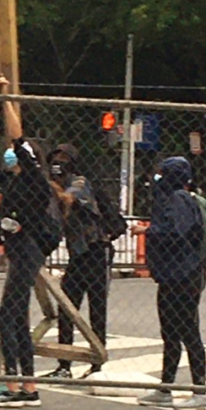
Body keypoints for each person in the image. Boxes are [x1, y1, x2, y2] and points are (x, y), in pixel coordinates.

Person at [0, 80, 60, 409]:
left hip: (28, 250)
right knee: (15, 317)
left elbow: (17, 140)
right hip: (17, 251)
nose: (10, 155)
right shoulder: (13, 180)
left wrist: (6, 98)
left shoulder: (34, 179)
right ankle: (25, 384)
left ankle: (19, 384)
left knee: (8, 317)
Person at [44, 144, 126, 382]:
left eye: (63, 158)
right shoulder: (56, 187)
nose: (58, 163)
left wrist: (52, 188)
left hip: (96, 251)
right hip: (78, 255)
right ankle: (64, 364)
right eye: (55, 158)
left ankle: (97, 364)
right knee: (67, 307)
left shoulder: (80, 183)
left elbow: (70, 198)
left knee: (97, 310)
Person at [141, 155, 206, 410]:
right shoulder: (171, 199)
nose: (156, 177)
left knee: (188, 331)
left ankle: (200, 390)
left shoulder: (179, 199)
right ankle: (165, 387)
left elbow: (174, 233)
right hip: (172, 275)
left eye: (162, 173)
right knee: (170, 333)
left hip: (184, 275)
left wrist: (147, 231)